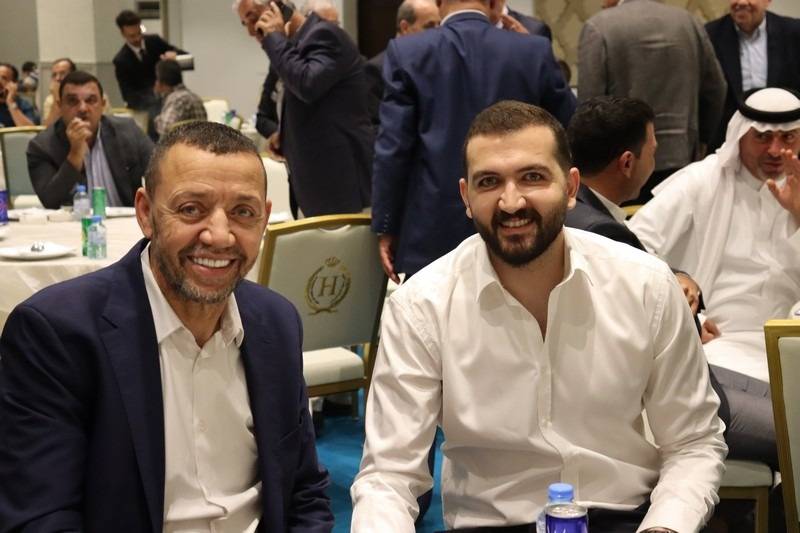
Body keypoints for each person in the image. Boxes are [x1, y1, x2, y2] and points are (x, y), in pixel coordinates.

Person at [351, 100, 726, 532]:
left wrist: (665, 527)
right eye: (489, 182)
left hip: (626, 519)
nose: (511, 202)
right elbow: (389, 477)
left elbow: (693, 442)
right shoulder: (421, 306)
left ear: (570, 188)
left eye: (532, 177)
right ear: (467, 197)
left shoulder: (646, 285)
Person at [0, 121, 333, 532]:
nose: (219, 236)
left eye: (242, 213)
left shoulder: (277, 323)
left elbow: (303, 492)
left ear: (264, 219)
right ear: (146, 213)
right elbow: (40, 519)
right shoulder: (58, 334)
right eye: (191, 209)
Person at [629, 87, 800, 473]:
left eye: (788, 137)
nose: (776, 150)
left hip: (793, 345)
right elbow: (630, 245)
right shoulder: (702, 180)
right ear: (740, 134)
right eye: (763, 137)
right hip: (722, 349)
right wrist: (684, 312)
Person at [372, 0, 575, 283]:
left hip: (432, 226)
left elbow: (393, 148)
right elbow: (569, 131)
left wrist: (387, 225)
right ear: (493, 3)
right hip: (523, 219)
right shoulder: (532, 49)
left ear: (439, 3)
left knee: (435, 309)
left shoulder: (407, 51)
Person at [578, 0, 727, 204]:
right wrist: (702, 141)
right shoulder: (688, 22)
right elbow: (716, 89)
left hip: (621, 167)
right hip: (682, 157)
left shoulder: (598, 27)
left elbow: (589, 107)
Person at [237, 0, 373, 217]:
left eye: (253, 18)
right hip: (313, 186)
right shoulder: (290, 48)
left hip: (342, 186)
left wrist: (274, 38)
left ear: (276, 7)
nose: (251, 31)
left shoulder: (325, 35)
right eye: (245, 23)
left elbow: (307, 84)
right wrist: (284, 136)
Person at [26, 71, 153, 209]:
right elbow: (50, 201)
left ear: (103, 105)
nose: (82, 108)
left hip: (127, 219)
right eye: (72, 101)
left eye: (91, 100)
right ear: (60, 106)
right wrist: (75, 155)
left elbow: (159, 171)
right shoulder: (41, 147)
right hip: (75, 222)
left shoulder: (128, 131)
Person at [705, 0, 800, 152]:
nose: (742, 2)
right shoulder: (709, 34)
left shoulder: (793, 33)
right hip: (728, 142)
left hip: (785, 137)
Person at [364, 0, 441, 128]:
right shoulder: (376, 68)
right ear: (405, 27)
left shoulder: (437, 62)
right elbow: (374, 125)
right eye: (429, 26)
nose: (438, 32)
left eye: (440, 26)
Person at [113, 9, 187, 112]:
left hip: (171, 101)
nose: (138, 38)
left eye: (139, 33)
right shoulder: (121, 61)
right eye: (132, 36)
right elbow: (128, 96)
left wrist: (176, 57)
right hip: (145, 109)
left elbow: (187, 59)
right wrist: (154, 98)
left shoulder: (155, 42)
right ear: (123, 34)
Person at [153, 59, 207, 136]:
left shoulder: (176, 99)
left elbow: (166, 129)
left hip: (184, 142)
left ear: (161, 82)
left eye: (157, 79)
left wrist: (156, 120)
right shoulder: (195, 97)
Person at [0, 62, 38, 127]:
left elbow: (30, 130)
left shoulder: (23, 105)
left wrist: (10, 102)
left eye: (4, 78)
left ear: (14, 84)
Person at [42, 57, 77, 126]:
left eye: (62, 73)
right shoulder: (50, 100)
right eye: (54, 75)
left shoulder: (84, 96)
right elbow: (48, 128)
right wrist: (56, 97)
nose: (57, 78)